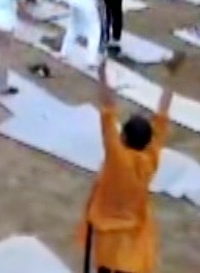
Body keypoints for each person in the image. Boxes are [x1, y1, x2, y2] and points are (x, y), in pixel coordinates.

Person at [78, 53, 183, 273]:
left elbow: (108, 109)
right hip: (132, 239)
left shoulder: (117, 156)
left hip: (107, 236)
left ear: (123, 136)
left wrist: (102, 72)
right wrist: (172, 76)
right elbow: (162, 114)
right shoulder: (150, 159)